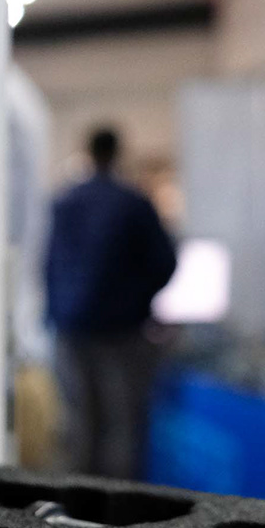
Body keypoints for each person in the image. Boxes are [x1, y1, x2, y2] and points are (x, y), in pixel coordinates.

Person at [43, 126, 178, 479]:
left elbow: (50, 264)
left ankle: (78, 498)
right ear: (118, 153)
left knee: (80, 421)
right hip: (121, 331)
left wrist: (57, 312)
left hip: (71, 329)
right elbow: (164, 262)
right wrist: (138, 301)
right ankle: (119, 503)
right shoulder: (132, 202)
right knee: (123, 424)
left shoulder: (65, 201)